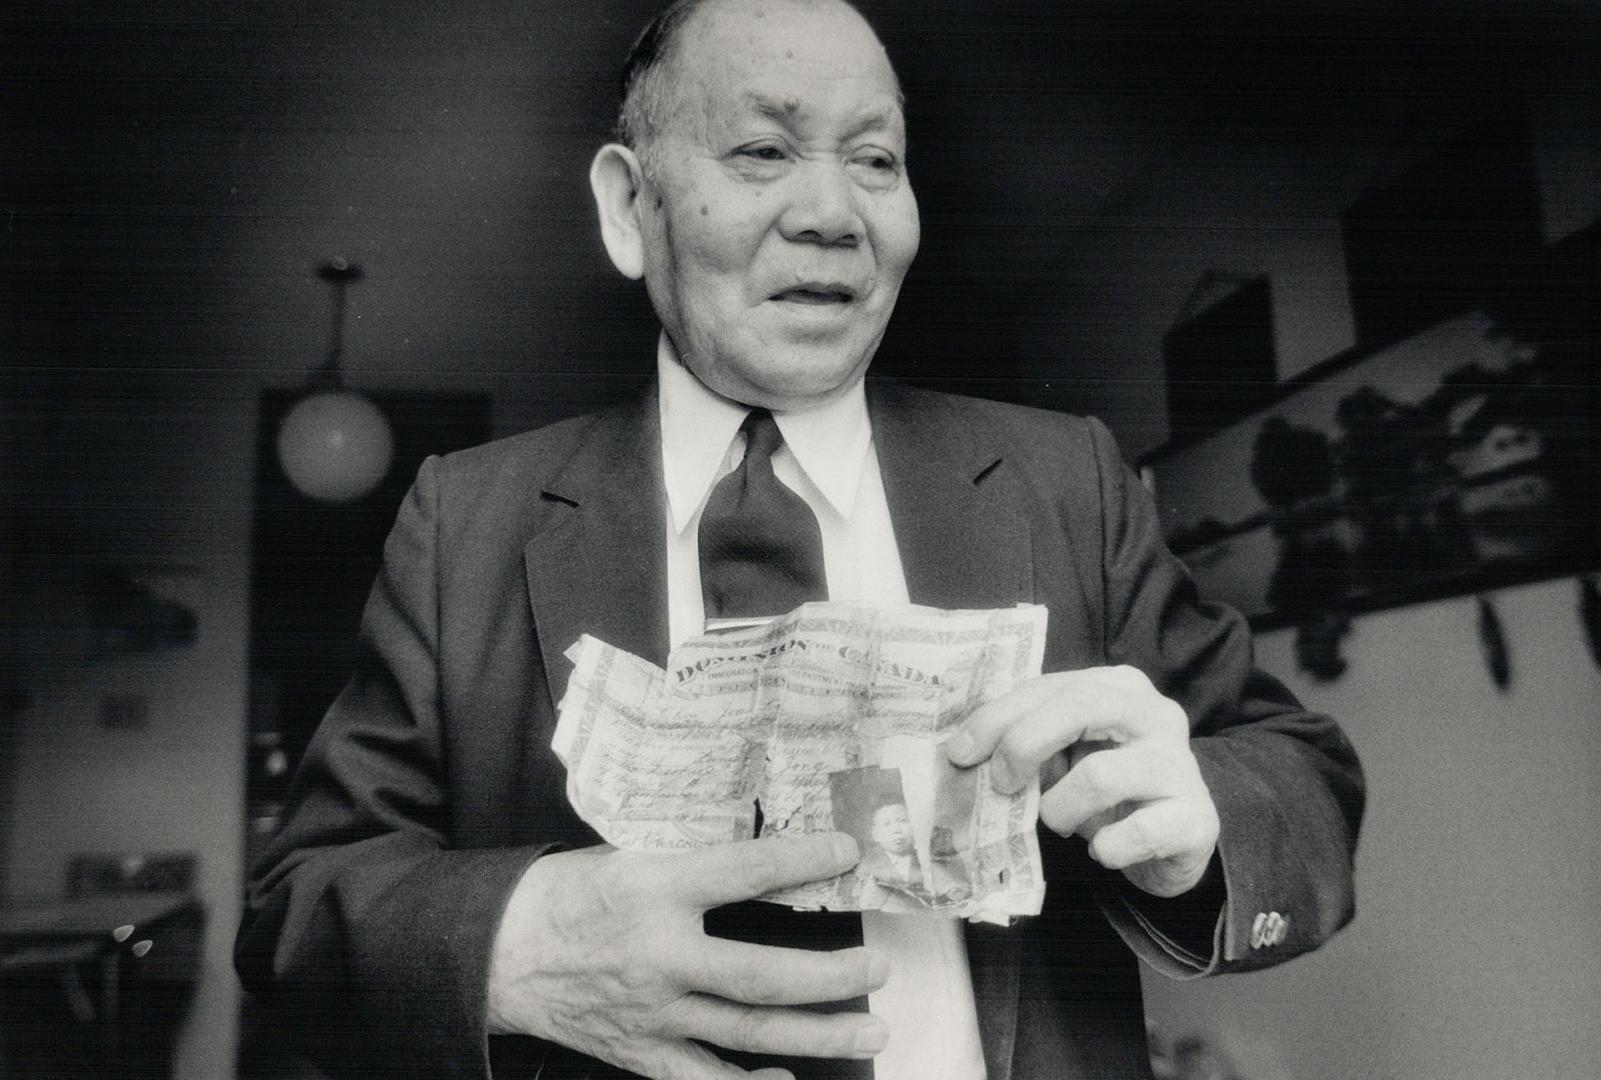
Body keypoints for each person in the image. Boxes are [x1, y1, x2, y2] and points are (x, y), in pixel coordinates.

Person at [235, 2, 1365, 1079]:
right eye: (762, 152)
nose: (836, 211)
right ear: (631, 210)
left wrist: (1200, 826)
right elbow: (297, 907)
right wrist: (508, 946)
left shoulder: (1061, 479)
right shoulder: (461, 522)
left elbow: (1299, 776)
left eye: (875, 159)